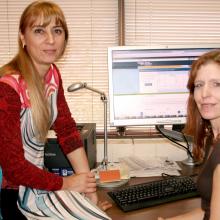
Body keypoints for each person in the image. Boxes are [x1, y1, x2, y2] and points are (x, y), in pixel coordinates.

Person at [0, 1, 112, 219]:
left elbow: (67, 130)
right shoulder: (7, 88)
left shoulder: (52, 74)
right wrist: (69, 183)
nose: (50, 40)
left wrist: (89, 191)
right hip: (12, 193)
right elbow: (14, 168)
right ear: (23, 37)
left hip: (36, 183)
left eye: (57, 31)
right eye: (39, 31)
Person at [158, 49, 220, 220]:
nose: (204, 93)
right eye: (199, 85)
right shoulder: (212, 139)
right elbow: (206, 211)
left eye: (217, 84)